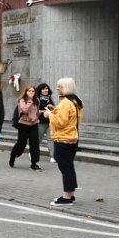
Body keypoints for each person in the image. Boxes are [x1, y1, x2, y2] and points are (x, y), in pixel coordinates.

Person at [44, 77, 84, 206]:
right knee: (68, 166)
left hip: (63, 139)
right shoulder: (75, 101)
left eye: (59, 86)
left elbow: (60, 122)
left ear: (65, 88)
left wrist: (50, 114)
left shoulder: (66, 103)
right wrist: (55, 110)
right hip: (72, 137)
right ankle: (70, 195)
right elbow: (69, 119)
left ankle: (67, 197)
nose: (56, 88)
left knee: (65, 167)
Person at [9, 85, 42, 171]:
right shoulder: (22, 100)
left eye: (33, 91)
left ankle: (34, 164)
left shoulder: (37, 100)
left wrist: (37, 116)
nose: (31, 92)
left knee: (34, 144)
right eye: (29, 91)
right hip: (23, 124)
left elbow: (36, 111)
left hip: (34, 124)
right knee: (21, 143)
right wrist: (30, 101)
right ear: (26, 92)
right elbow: (24, 110)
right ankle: (13, 156)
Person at [36, 83, 55, 163]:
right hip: (41, 122)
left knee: (51, 139)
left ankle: (53, 156)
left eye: (47, 88)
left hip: (50, 122)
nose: (45, 90)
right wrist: (44, 111)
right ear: (40, 90)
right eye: (43, 89)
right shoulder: (37, 99)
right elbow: (34, 111)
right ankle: (33, 152)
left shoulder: (50, 98)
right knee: (38, 139)